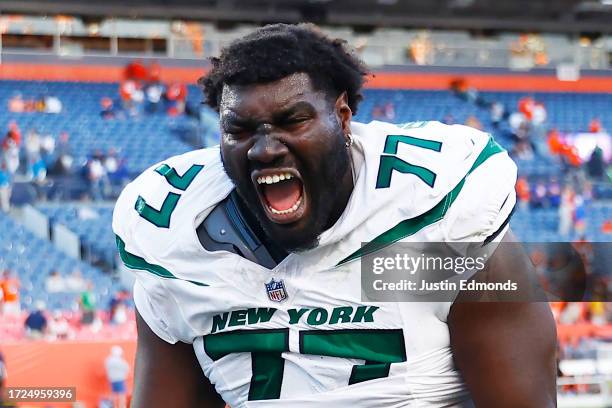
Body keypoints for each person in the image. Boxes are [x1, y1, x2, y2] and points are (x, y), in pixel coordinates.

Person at [113, 24, 556, 408]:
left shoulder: (431, 214)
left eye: (293, 120)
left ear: (342, 117)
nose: (265, 149)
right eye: (240, 130)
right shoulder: (175, 232)